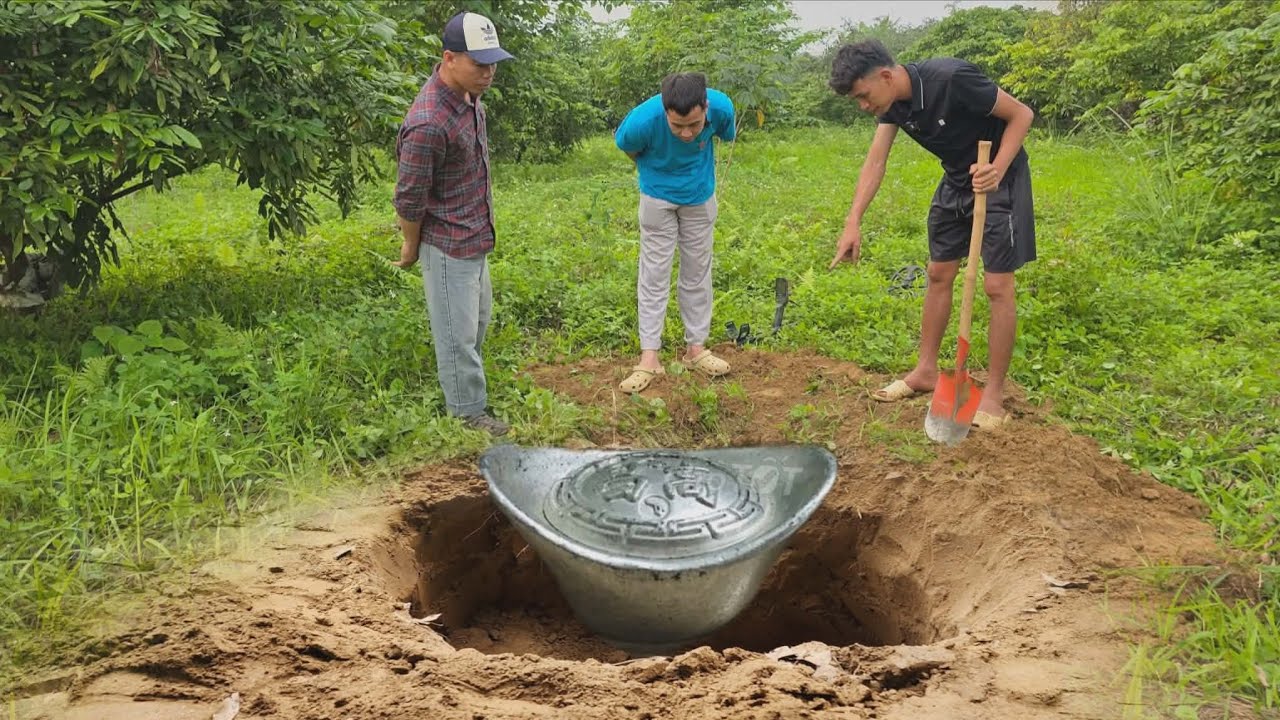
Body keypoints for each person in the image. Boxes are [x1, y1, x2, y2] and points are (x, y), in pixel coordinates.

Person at [827, 40, 1036, 429]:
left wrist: (997, 169)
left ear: (886, 76)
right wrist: (853, 220)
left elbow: (1022, 115)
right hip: (957, 177)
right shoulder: (893, 104)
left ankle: (992, 394)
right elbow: (876, 160)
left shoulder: (952, 79)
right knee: (939, 273)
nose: (863, 105)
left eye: (863, 95)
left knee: (996, 286)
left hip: (999, 177)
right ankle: (925, 371)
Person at [392, 11, 514, 436]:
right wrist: (410, 247)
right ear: (449, 58)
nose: (489, 73)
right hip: (447, 244)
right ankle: (466, 415)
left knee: (475, 325)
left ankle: (465, 393)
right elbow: (409, 197)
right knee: (456, 335)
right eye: (480, 65)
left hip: (475, 236)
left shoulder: (467, 97)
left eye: (493, 63)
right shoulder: (428, 122)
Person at [614, 72, 736, 394]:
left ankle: (696, 349)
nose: (686, 133)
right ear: (665, 111)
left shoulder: (722, 108)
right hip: (657, 198)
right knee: (654, 274)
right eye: (677, 125)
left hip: (699, 196)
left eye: (694, 125)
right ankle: (649, 358)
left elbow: (724, 136)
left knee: (697, 272)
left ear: (705, 108)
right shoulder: (642, 121)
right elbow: (627, 147)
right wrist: (655, 170)